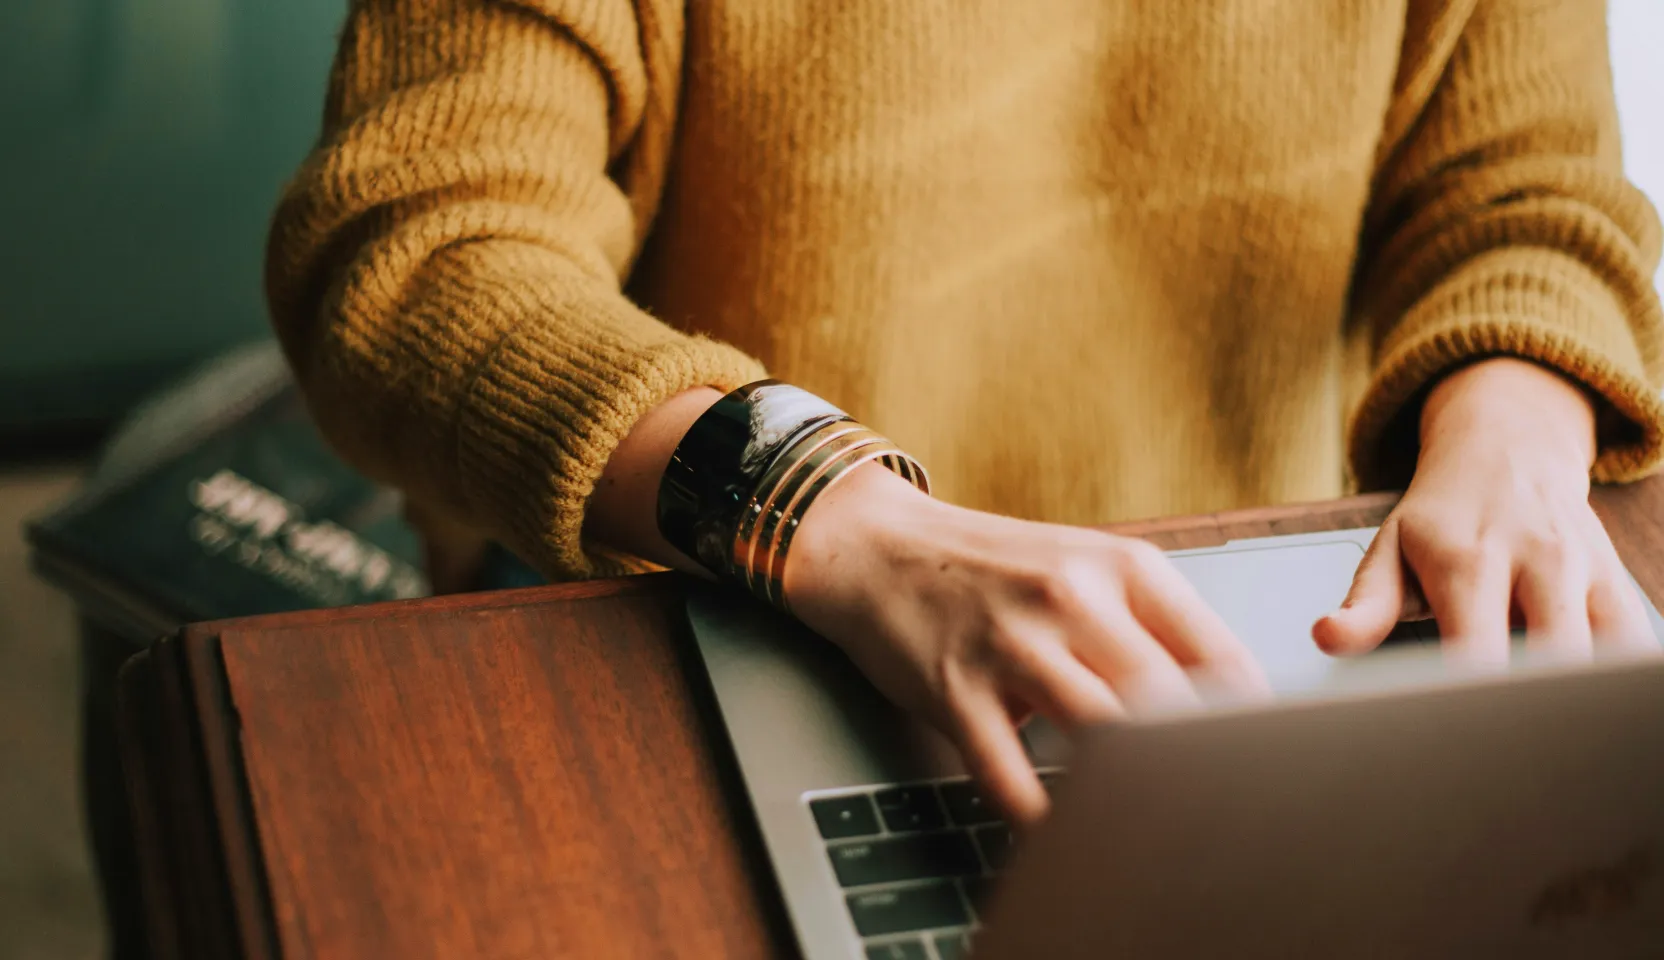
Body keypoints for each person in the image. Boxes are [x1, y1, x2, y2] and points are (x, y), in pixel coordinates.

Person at [266, 0, 1664, 826]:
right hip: (714, 607)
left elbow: (1524, 191)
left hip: (1248, 649)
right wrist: (832, 513)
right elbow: (417, 250)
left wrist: (1517, 429)